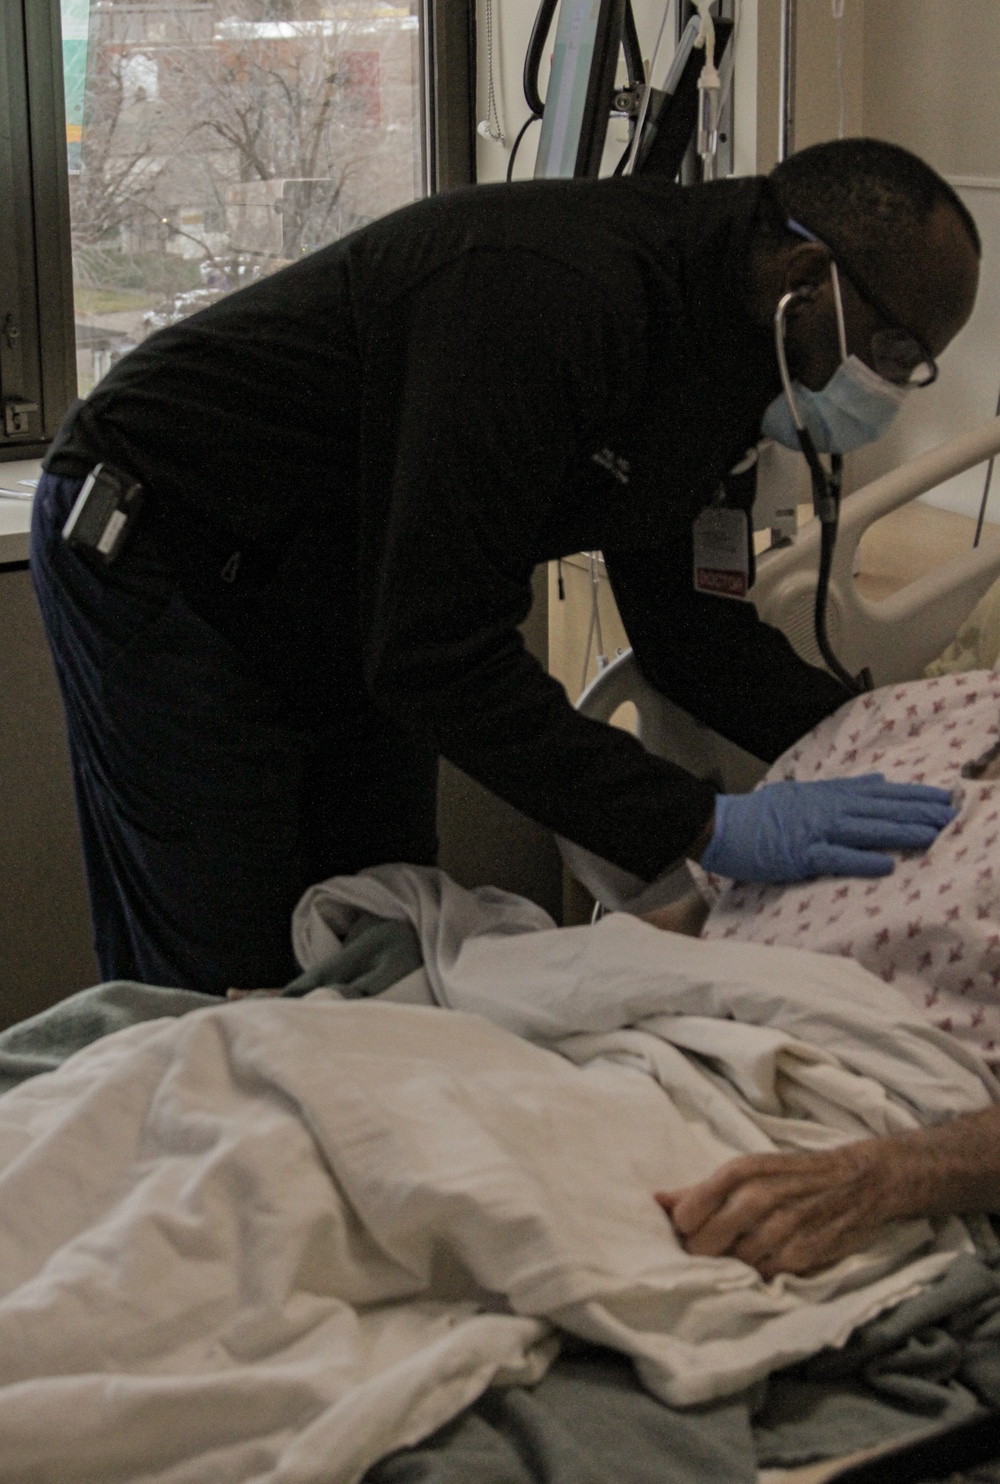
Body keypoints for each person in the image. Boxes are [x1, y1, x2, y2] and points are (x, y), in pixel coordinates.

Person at [32, 138, 979, 992]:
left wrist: (889, 737)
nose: (892, 387)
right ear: (807, 275)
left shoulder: (737, 364)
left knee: (379, 926)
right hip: (164, 539)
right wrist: (706, 826)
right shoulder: (550, 296)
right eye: (895, 349)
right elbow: (437, 655)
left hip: (347, 578)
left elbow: (691, 634)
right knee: (224, 946)